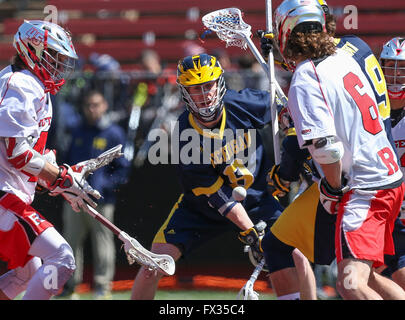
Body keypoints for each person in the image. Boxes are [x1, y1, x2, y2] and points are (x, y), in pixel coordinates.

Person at [130, 53, 304, 300]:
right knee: (152, 266)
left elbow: (288, 111)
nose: (205, 95)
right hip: (202, 208)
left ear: (219, 83)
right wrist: (251, 231)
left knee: (293, 256)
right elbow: (214, 193)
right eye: (195, 89)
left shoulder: (242, 103)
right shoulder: (184, 131)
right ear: (184, 92)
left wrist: (289, 148)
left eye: (208, 86)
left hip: (256, 199)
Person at [267, 0, 404, 300]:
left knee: (350, 284)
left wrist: (330, 188)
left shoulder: (305, 77)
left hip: (364, 188)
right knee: (369, 277)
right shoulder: (343, 57)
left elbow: (327, 150)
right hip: (388, 178)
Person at [0, 20, 101, 300]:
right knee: (63, 260)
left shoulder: (36, 87)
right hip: (3, 197)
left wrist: (60, 180)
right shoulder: (20, 83)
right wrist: (58, 177)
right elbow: (17, 152)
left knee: (26, 276)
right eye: (53, 56)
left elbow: (31, 154)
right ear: (32, 50)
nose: (59, 64)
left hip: (11, 194)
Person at [59, 90, 130, 299]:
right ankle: (70, 286)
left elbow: (123, 168)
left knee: (103, 242)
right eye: (89, 105)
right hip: (74, 198)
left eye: (96, 104)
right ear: (83, 107)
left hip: (101, 200)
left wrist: (104, 186)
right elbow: (68, 161)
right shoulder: (77, 131)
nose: (92, 109)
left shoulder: (113, 133)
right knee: (70, 241)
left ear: (105, 105)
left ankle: (102, 286)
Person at [378, 36, 405, 290]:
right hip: (382, 215)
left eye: (403, 68)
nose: (396, 75)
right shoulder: (373, 110)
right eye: (390, 67)